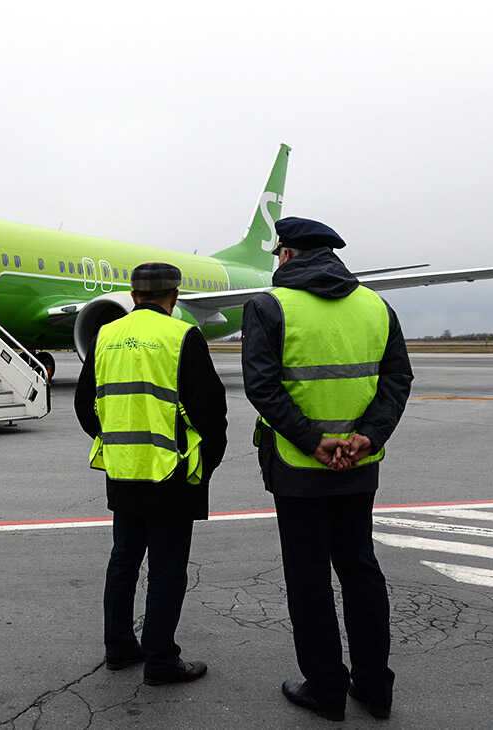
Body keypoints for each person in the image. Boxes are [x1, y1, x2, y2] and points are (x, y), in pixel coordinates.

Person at [241, 217, 413, 721]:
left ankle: (326, 690)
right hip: (358, 465)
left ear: (287, 254)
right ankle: (375, 689)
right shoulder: (377, 306)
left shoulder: (269, 306)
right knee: (360, 570)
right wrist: (368, 436)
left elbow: (263, 386)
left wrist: (314, 442)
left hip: (299, 468)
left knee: (309, 579)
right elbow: (397, 379)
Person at [75, 262, 227, 686]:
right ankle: (160, 660)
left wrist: (118, 440)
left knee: (123, 560)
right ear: (174, 297)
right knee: (166, 568)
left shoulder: (105, 336)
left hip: (123, 471)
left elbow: (86, 408)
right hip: (172, 474)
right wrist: (206, 464)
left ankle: (119, 648)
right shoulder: (182, 336)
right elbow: (211, 412)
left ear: (133, 295)